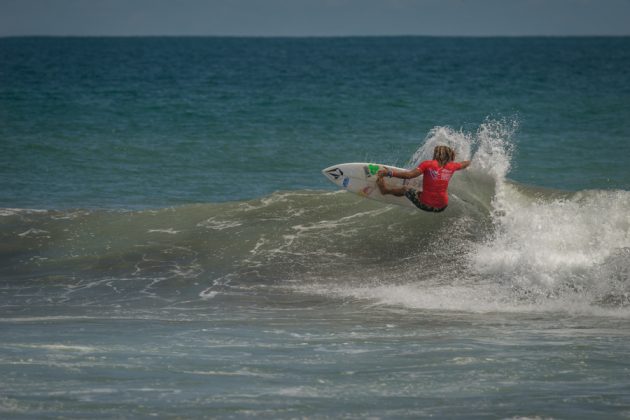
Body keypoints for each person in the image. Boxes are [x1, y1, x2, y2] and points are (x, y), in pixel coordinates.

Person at [376, 145, 470, 213]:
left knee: (405, 189)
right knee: (437, 189)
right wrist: (470, 162)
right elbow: (465, 164)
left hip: (426, 205)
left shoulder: (427, 164)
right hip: (442, 206)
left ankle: (385, 191)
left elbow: (409, 175)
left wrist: (389, 173)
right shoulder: (453, 166)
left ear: (436, 154)